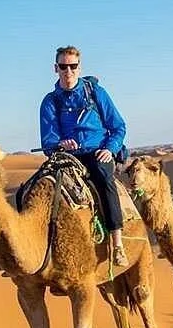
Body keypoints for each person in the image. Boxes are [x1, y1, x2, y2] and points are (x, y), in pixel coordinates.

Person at [40, 45, 128, 266]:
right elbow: (48, 141)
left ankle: (117, 243)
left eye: (73, 66)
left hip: (97, 152)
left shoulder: (96, 92)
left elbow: (118, 127)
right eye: (63, 67)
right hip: (67, 157)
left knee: (104, 180)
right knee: (39, 187)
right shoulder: (50, 101)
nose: (68, 71)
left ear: (79, 68)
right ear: (56, 68)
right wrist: (59, 144)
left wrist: (110, 148)